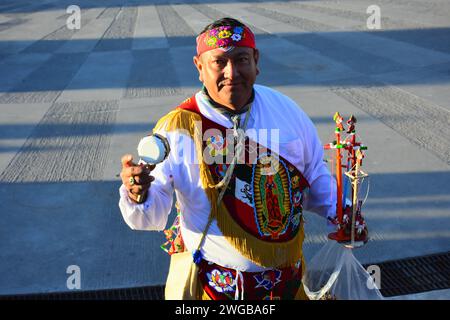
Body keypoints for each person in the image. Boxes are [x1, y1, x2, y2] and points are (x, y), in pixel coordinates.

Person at [119, 17, 339, 300]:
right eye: (219, 62)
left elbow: (313, 176)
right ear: (199, 67)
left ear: (256, 60)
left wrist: (341, 211)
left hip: (288, 284)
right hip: (218, 290)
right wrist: (138, 194)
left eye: (242, 59)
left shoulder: (287, 111)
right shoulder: (177, 129)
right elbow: (152, 216)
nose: (232, 72)